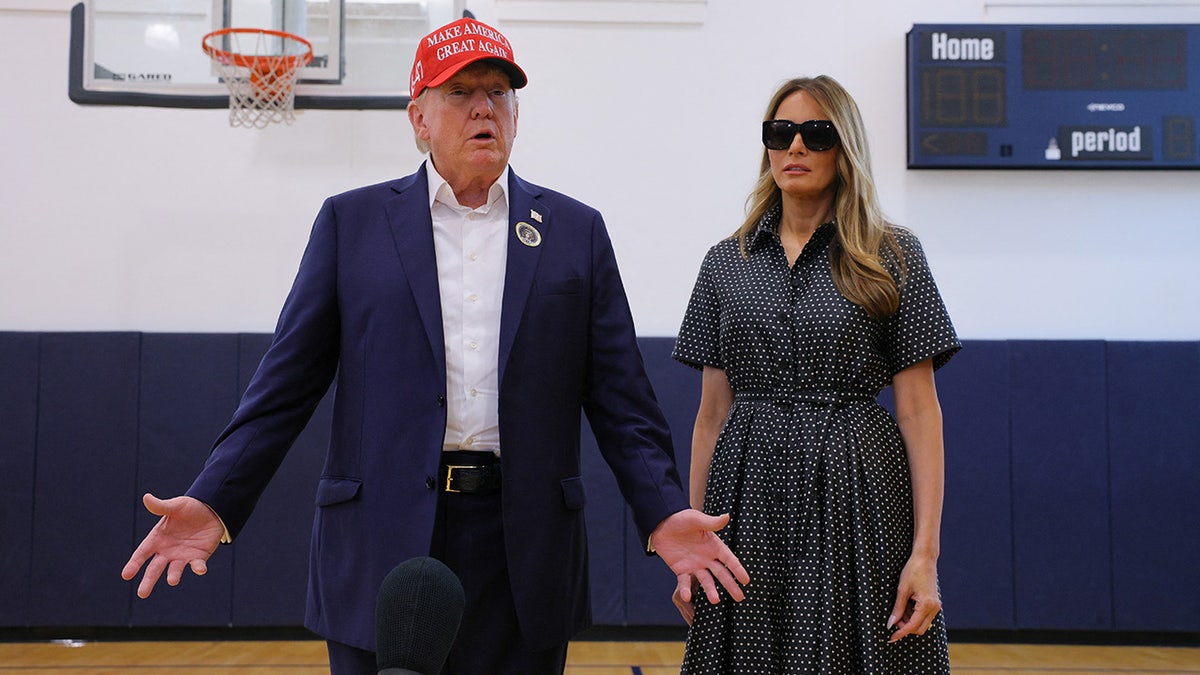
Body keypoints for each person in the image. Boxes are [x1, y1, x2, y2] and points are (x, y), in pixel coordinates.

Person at [121, 16, 748, 675]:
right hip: (379, 542)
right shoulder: (351, 223)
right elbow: (283, 387)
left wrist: (664, 509)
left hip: (523, 548)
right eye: (461, 92)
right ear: (418, 117)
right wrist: (215, 495)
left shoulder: (574, 232)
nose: (485, 107)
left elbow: (624, 404)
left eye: (500, 93)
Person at [670, 75, 960, 673]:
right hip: (747, 496)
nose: (795, 146)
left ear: (844, 146)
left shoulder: (893, 255)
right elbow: (711, 416)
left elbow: (918, 410)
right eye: (781, 132)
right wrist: (693, 546)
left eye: (815, 133)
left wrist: (925, 556)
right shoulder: (726, 261)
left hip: (858, 496)